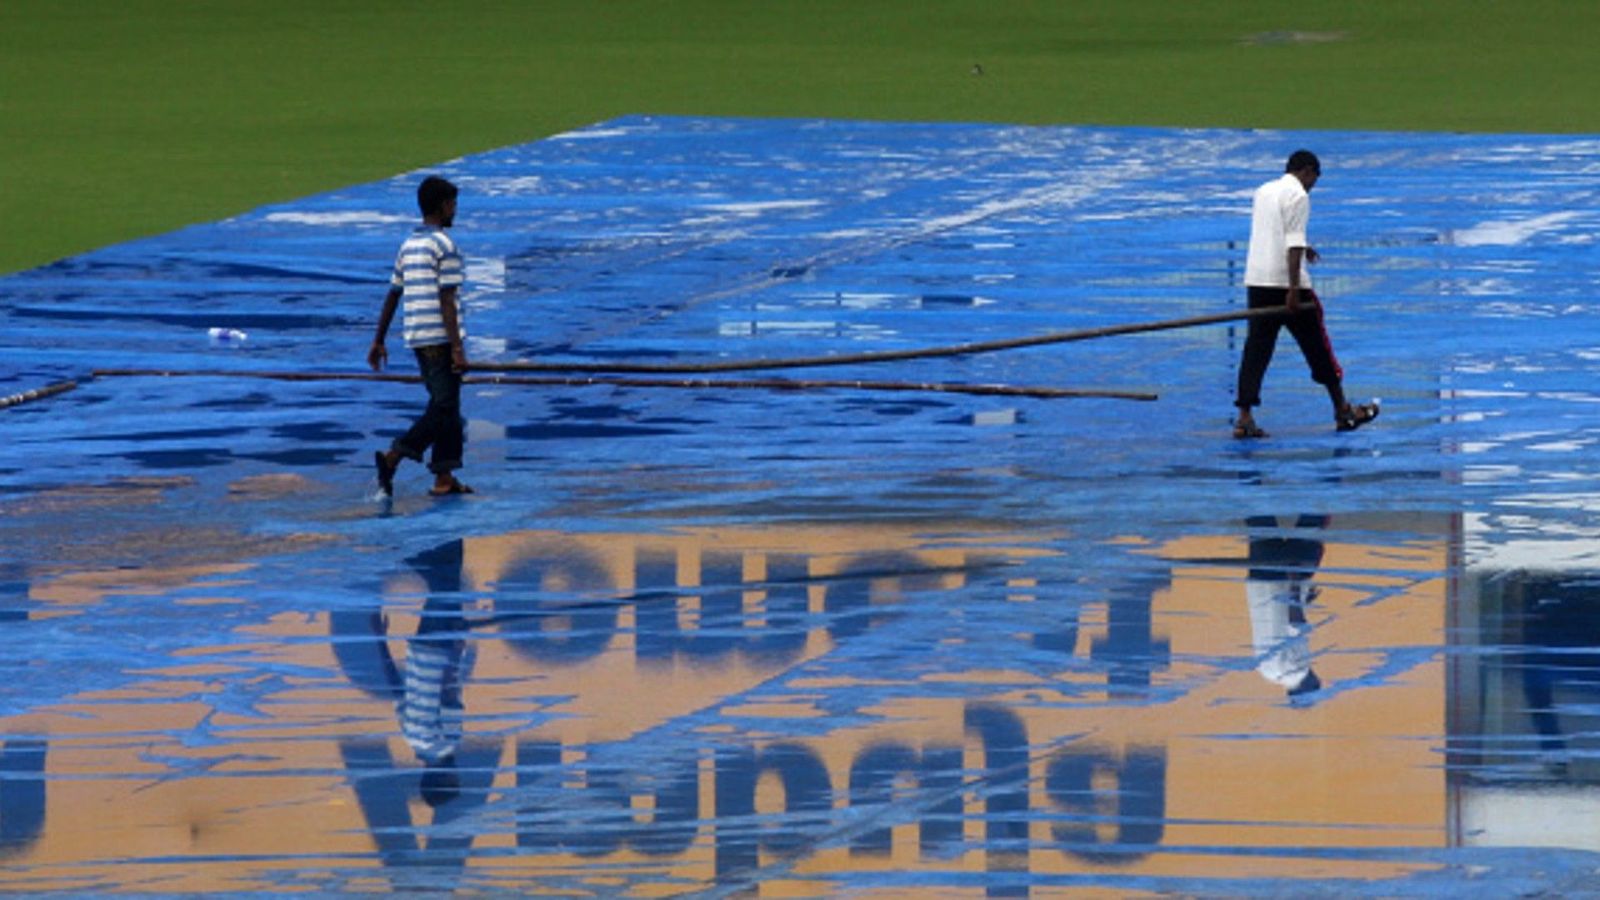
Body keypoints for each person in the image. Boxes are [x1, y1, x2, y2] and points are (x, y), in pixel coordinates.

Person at [1232, 150, 1378, 439]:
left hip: (1258, 280)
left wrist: (1304, 246)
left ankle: (1244, 417)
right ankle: (1342, 410)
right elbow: (1293, 245)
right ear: (1307, 172)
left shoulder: (1264, 191)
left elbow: (1276, 231)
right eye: (1313, 180)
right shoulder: (1299, 195)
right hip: (1287, 285)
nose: (1312, 187)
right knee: (1317, 347)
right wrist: (1294, 288)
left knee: (1256, 350)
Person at [369, 175, 473, 496]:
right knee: (442, 409)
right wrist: (456, 346)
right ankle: (395, 455)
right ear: (443, 207)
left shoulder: (409, 245)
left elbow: (393, 294)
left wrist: (379, 339)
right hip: (439, 339)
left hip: (417, 338)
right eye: (453, 205)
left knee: (449, 409)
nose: (455, 211)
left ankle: (444, 477)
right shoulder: (444, 245)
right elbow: (446, 300)